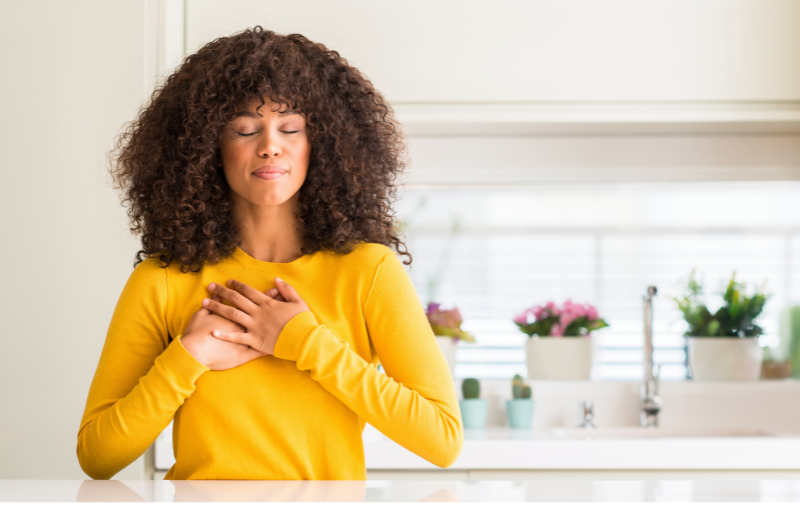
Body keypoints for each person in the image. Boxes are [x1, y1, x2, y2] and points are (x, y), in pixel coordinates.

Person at [77, 26, 463, 480]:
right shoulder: (165, 280)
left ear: (321, 143)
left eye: (291, 128)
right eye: (244, 129)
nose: (269, 145)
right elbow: (98, 456)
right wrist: (188, 355)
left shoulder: (369, 271)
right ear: (205, 147)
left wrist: (303, 341)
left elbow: (441, 439)